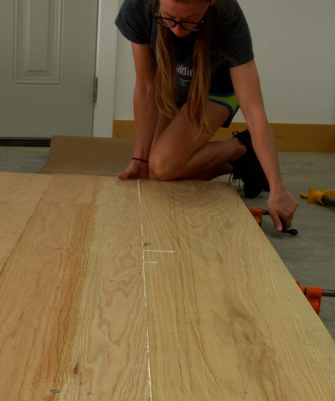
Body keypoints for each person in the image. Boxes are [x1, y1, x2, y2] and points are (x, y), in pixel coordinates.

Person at [115, 0, 298, 232]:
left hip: (219, 90)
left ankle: (241, 146)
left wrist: (278, 187)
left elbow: (254, 111)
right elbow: (146, 87)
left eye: (190, 21)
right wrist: (139, 159)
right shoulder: (138, 6)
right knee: (152, 173)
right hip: (174, 86)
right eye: (168, 18)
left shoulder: (228, 17)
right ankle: (236, 160)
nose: (178, 31)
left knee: (162, 166)